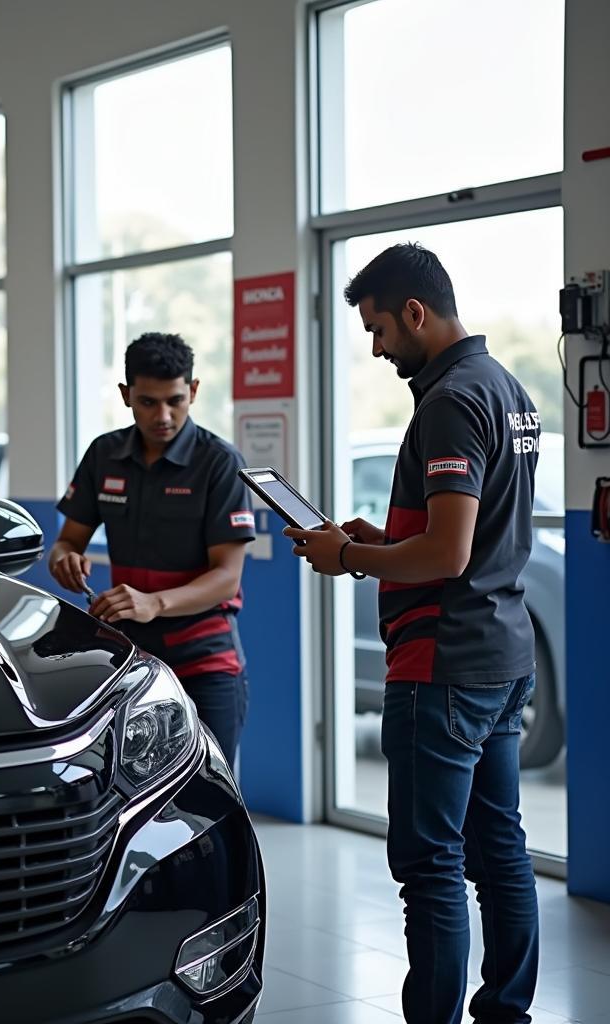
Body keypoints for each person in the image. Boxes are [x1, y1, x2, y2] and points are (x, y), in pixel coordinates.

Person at [285, 244, 540, 1024]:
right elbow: (448, 528)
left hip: (446, 665)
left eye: (379, 329)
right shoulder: (507, 387)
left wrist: (349, 557)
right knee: (500, 850)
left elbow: (449, 552)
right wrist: (379, 532)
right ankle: (506, 1010)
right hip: (500, 655)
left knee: (431, 865)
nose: (375, 347)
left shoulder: (451, 401)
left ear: (416, 314)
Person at [49, 332, 256, 766]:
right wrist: (64, 558)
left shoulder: (219, 462)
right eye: (147, 402)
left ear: (193, 391)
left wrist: (154, 603)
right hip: (129, 662)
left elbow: (227, 577)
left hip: (206, 662)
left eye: (175, 400)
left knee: (210, 795)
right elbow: (68, 540)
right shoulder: (104, 455)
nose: (163, 415)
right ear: (126, 395)